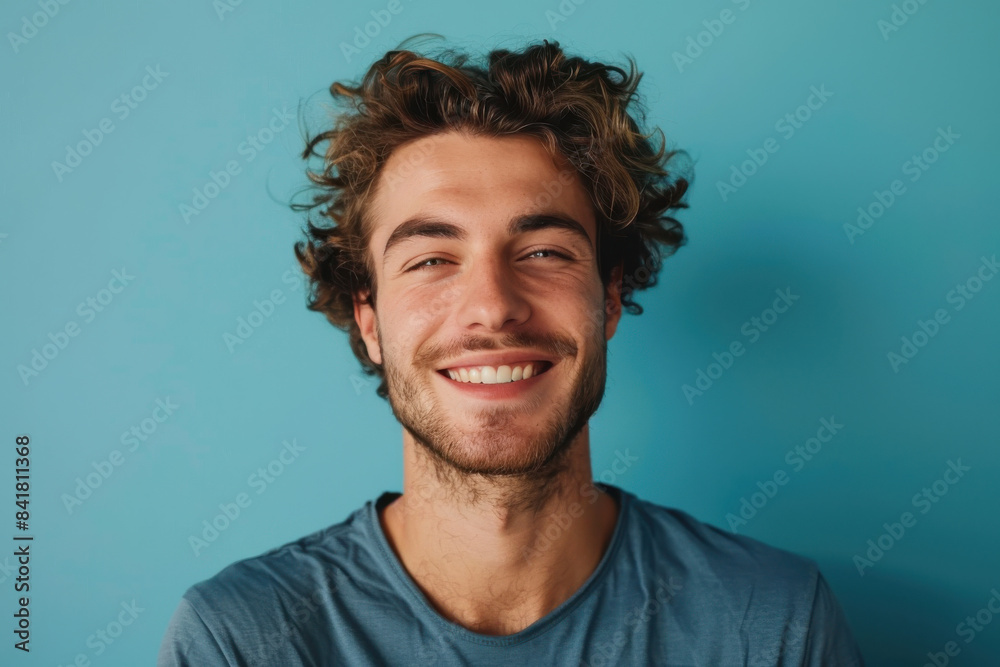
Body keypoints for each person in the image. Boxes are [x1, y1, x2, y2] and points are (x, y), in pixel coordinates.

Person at [158, 38, 865, 666]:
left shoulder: (771, 623)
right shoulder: (240, 639)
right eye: (432, 259)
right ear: (368, 320)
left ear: (610, 298)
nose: (493, 305)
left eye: (544, 251)